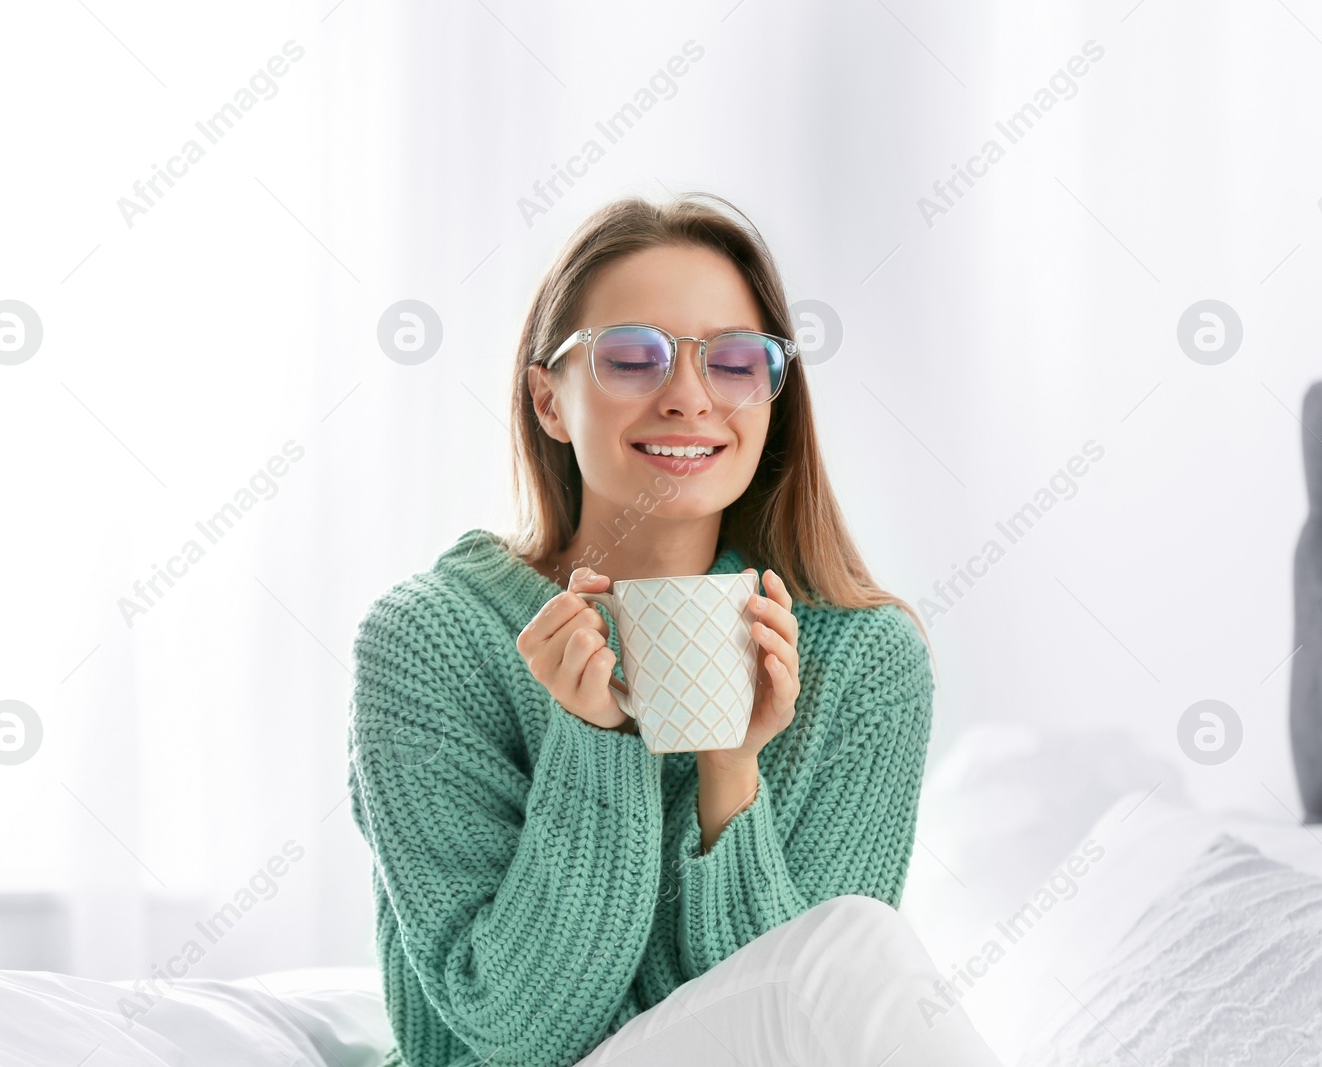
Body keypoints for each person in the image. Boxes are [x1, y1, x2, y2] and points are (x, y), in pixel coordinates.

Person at [347, 192, 1002, 1066]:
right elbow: (514, 1032)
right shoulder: (428, 641)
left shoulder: (864, 659)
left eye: (734, 362)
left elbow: (808, 1021)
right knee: (860, 944)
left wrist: (730, 770)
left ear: (773, 400)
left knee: (857, 944)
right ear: (548, 400)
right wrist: (596, 741)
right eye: (632, 357)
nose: (690, 398)